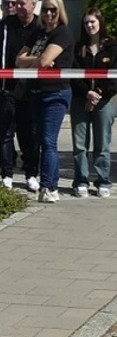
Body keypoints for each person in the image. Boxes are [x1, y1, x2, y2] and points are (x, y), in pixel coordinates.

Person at [16, 0, 74, 203]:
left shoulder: (62, 33)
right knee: (40, 140)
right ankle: (49, 183)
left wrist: (35, 60)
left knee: (49, 141)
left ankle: (49, 187)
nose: (49, 13)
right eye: (46, 9)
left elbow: (40, 61)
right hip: (35, 91)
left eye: (53, 10)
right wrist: (38, 60)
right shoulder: (38, 33)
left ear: (60, 11)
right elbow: (19, 59)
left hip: (55, 93)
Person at [0, 0, 42, 191]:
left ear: (33, 4)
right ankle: (7, 174)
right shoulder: (5, 25)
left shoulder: (40, 26)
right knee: (6, 134)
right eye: (16, 4)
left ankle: (31, 174)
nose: (18, 7)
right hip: (7, 87)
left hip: (30, 90)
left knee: (29, 135)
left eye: (22, 3)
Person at [69, 7, 117, 198]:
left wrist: (96, 95)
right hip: (80, 100)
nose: (89, 25)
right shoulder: (78, 47)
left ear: (100, 23)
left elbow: (113, 79)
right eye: (86, 22)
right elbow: (73, 76)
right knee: (80, 145)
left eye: (93, 22)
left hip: (103, 102)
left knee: (102, 143)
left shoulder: (113, 47)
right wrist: (86, 93)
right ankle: (80, 181)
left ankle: (103, 180)